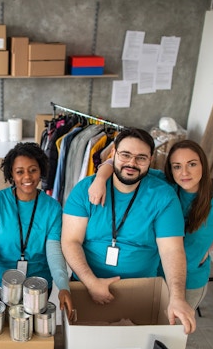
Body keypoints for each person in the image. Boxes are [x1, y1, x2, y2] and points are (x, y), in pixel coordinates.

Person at [88, 139, 213, 309]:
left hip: (188, 280)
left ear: (203, 165)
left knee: (174, 330)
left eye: (191, 164)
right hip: (154, 274)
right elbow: (120, 164)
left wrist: (212, 244)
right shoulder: (165, 184)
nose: (184, 172)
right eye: (177, 166)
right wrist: (100, 179)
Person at [61, 128, 196, 334]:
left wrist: (177, 297)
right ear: (113, 153)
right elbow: (70, 241)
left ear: (150, 160)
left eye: (141, 158)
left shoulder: (164, 196)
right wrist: (91, 283)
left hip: (141, 289)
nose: (132, 163)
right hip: (86, 285)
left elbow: (172, 250)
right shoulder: (85, 189)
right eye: (125, 155)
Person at [0, 142, 74, 320]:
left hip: (37, 284)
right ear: (11, 174)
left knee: (30, 333)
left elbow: (54, 251)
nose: (27, 177)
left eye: (33, 170)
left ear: (41, 171)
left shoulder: (52, 208)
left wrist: (64, 286)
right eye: (20, 171)